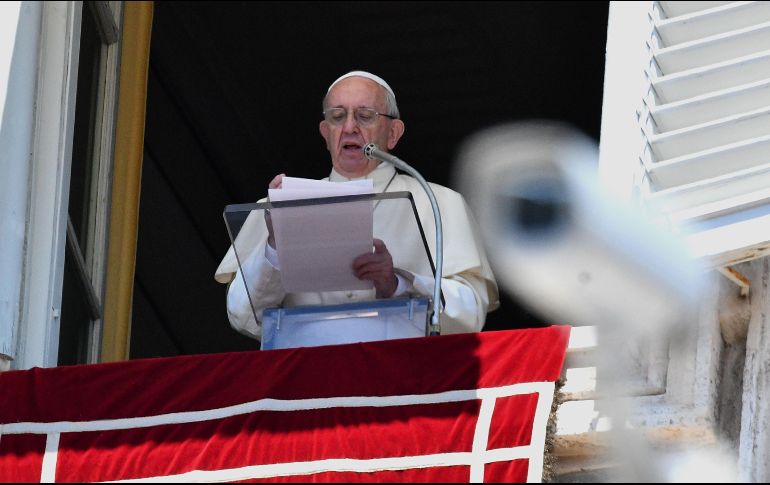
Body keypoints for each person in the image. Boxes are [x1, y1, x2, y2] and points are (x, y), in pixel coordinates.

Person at [214, 70, 499, 340]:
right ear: (325, 133)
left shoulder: (438, 202)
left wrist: (397, 284)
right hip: (307, 378)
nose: (350, 127)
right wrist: (274, 249)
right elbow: (243, 316)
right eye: (337, 117)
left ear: (393, 133)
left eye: (365, 116)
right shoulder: (279, 206)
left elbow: (471, 314)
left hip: (404, 378)